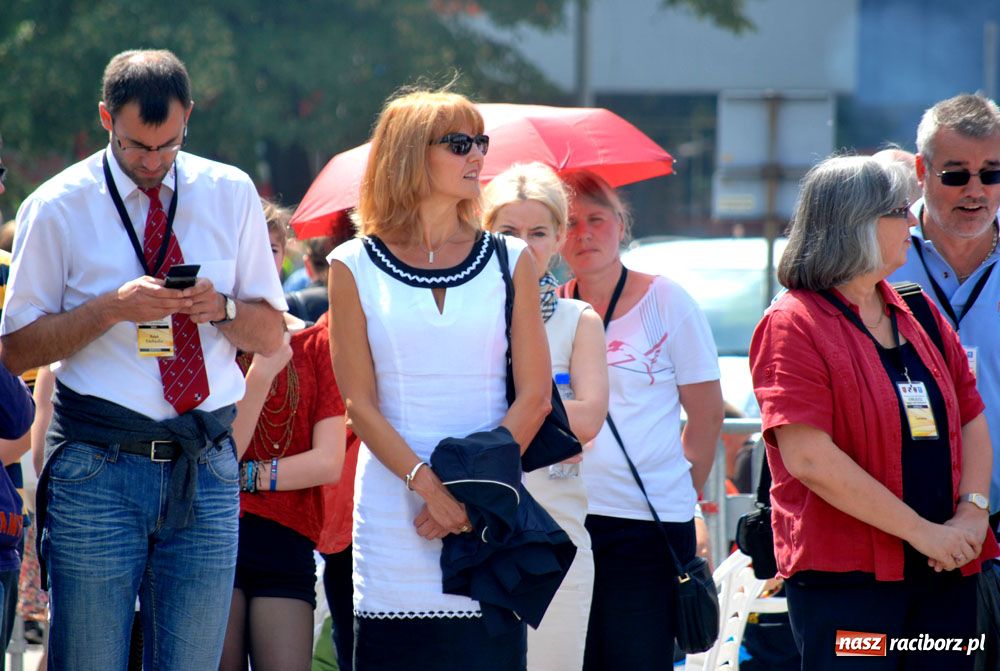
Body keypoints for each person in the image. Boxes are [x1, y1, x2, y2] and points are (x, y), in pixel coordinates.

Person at [0, 49, 286, 670]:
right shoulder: (55, 206)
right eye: (135, 147)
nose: (153, 163)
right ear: (106, 118)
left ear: (189, 119)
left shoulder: (230, 191)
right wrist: (108, 310)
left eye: (169, 145)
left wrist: (224, 310)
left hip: (204, 462)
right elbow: (15, 349)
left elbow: (270, 334)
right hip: (99, 464)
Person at [328, 89, 551, 671]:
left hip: (489, 511)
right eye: (460, 143)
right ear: (408, 154)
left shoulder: (511, 258)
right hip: (392, 515)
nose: (478, 155)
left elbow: (534, 395)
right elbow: (359, 403)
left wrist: (472, 494)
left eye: (481, 141)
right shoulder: (351, 263)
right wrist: (429, 487)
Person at [751, 155, 998, 670]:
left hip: (944, 572)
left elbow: (971, 415)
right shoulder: (793, 323)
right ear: (856, 222)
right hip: (850, 589)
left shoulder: (918, 310)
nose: (912, 219)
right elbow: (810, 460)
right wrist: (924, 531)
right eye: (897, 210)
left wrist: (971, 513)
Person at [558, 170, 723, 670]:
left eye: (596, 219)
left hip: (646, 524)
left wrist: (678, 491)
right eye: (567, 223)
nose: (583, 233)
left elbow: (708, 414)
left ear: (622, 224)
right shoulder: (551, 308)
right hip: (566, 517)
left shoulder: (667, 301)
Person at [482, 161, 608, 671]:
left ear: (559, 237)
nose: (523, 243)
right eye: (507, 231)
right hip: (475, 525)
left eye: (537, 232)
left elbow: (590, 418)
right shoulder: (465, 317)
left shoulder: (580, 319)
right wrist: (547, 415)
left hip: (556, 531)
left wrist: (505, 418)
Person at [220, 198, 346, 671]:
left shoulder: (316, 343)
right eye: (245, 247)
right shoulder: (207, 343)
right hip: (213, 537)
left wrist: (244, 477)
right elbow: (221, 450)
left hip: (288, 541)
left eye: (270, 247)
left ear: (284, 255)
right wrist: (261, 376)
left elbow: (327, 461)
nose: (259, 257)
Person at [888, 94, 1000, 513]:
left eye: (992, 174)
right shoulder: (872, 251)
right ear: (921, 170)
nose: (975, 191)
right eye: (956, 176)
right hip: (895, 524)